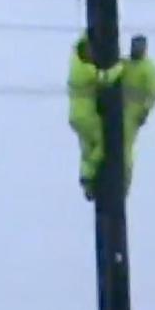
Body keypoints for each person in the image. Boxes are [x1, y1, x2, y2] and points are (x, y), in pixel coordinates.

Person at [119, 34, 155, 193]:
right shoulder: (126, 64)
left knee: (125, 148)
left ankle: (124, 182)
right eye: (134, 45)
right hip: (118, 111)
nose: (136, 49)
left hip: (132, 116)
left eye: (139, 46)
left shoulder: (149, 69)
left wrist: (144, 113)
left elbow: (151, 94)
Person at [67, 31, 103, 201]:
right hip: (87, 116)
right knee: (103, 142)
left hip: (76, 116)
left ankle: (88, 183)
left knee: (87, 150)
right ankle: (89, 175)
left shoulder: (75, 65)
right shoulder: (87, 70)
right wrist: (119, 68)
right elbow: (106, 78)